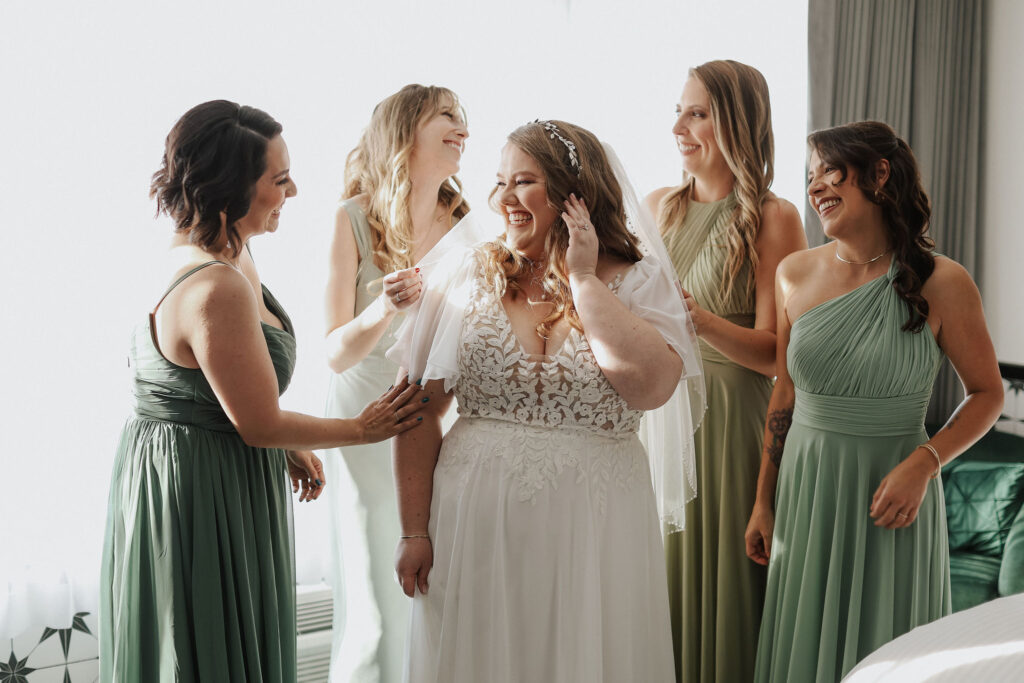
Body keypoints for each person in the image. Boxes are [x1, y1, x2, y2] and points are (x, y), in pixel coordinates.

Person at [100, 100, 423, 683]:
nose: (294, 190)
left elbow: (217, 393)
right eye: (279, 179)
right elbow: (258, 423)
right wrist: (362, 428)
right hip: (199, 487)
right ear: (231, 187)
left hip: (212, 461)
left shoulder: (229, 250)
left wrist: (282, 441)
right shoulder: (215, 282)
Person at [391, 120, 704, 683]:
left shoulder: (638, 282)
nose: (504, 198)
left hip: (594, 526)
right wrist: (414, 531)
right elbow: (416, 410)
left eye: (524, 181)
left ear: (573, 194)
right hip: (475, 523)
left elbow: (650, 387)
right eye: (500, 181)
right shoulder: (466, 274)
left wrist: (583, 279)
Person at [745, 121, 1003, 682]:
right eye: (809, 178)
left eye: (827, 172)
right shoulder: (794, 273)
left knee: (888, 652)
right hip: (808, 487)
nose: (814, 188)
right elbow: (783, 392)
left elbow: (988, 394)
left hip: (893, 495)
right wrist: (764, 500)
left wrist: (925, 463)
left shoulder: (943, 281)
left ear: (879, 174)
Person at [645, 59, 806, 683]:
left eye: (697, 112)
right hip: (660, 419)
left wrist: (700, 323)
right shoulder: (658, 207)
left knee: (728, 592)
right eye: (678, 110)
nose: (679, 126)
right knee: (663, 579)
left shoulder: (775, 217)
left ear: (735, 122)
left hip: (731, 426)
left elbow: (776, 354)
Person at [322, 84, 469, 683]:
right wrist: (381, 310)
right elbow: (333, 352)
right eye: (448, 116)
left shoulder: (468, 223)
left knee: (435, 581)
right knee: (374, 593)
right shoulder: (352, 218)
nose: (462, 127)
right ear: (407, 130)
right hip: (364, 414)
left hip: (440, 414)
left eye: (463, 118)